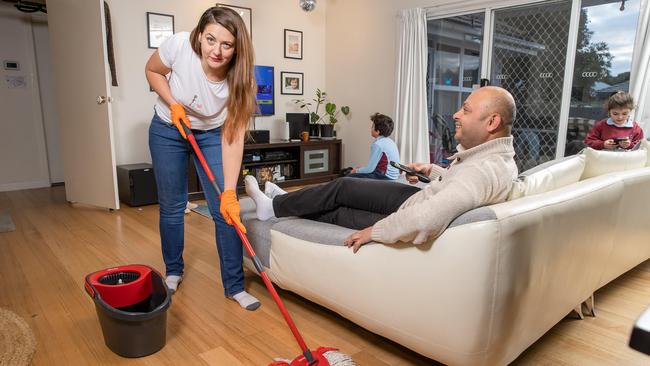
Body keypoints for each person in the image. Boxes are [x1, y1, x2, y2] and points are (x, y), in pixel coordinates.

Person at [245, 86, 518, 253]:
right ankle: (281, 201)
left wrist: (373, 232)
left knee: (343, 189)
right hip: (416, 198)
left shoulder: (483, 171)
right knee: (343, 190)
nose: (457, 114)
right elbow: (459, 187)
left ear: (492, 121)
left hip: (411, 208)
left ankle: (274, 206)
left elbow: (427, 218)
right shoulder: (496, 160)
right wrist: (433, 171)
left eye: (466, 110)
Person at [145, 7, 260, 310]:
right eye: (210, 40)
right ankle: (172, 271)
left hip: (212, 134)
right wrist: (172, 104)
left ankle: (234, 286)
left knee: (226, 210)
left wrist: (231, 192)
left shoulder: (242, 81)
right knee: (172, 205)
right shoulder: (180, 45)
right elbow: (153, 70)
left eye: (227, 44)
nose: (217, 51)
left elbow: (233, 137)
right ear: (199, 35)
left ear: (238, 48)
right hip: (168, 128)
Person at [346, 113, 401, 180]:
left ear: (377, 131)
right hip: (393, 176)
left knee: (348, 177)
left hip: (384, 176)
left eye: (372, 126)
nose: (371, 128)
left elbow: (369, 169)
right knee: (359, 170)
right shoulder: (390, 142)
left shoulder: (378, 144)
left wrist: (355, 171)